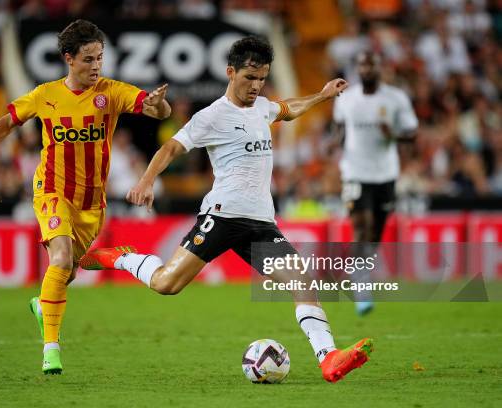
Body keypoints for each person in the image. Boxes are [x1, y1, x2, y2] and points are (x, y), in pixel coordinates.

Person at [80, 36, 373, 383]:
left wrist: (321, 95)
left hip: (262, 223)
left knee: (302, 280)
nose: (256, 86)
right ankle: (123, 257)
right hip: (221, 217)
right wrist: (146, 181)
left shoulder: (262, 107)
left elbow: (287, 109)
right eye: (249, 78)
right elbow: (172, 148)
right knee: (166, 285)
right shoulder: (212, 116)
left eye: (262, 79)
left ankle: (328, 358)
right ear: (230, 72)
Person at [0, 19, 171, 374]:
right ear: (69, 59)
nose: (96, 66)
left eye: (100, 58)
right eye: (88, 59)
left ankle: (58, 295)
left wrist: (159, 105)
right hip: (53, 191)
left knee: (69, 270)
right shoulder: (45, 95)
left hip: (92, 202)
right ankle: (51, 349)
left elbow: (155, 109)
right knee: (59, 260)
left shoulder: (111, 91)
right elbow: (8, 121)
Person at [332, 51, 418, 315]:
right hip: (354, 172)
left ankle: (359, 270)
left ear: (380, 68)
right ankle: (362, 289)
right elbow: (340, 129)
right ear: (357, 68)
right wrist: (333, 144)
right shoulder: (346, 98)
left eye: (370, 64)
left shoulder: (395, 98)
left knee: (376, 231)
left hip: (385, 174)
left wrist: (392, 134)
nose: (366, 69)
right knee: (361, 224)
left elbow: (412, 133)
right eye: (361, 64)